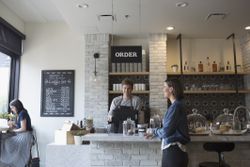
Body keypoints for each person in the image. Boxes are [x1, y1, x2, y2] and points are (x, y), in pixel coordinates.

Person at [145, 79, 190, 167]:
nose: (163, 89)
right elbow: (170, 129)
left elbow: (166, 131)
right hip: (176, 152)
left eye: (164, 87)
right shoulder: (177, 105)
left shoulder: (176, 107)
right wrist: (157, 134)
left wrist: (153, 131)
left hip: (174, 151)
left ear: (171, 89)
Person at [0, 99, 33, 167]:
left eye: (12, 107)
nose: (12, 110)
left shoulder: (22, 113)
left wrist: (13, 130)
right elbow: (21, 126)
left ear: (17, 106)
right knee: (3, 136)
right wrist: (14, 125)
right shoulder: (21, 113)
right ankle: (5, 160)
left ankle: (7, 161)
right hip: (23, 134)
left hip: (25, 136)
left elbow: (23, 128)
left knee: (6, 140)